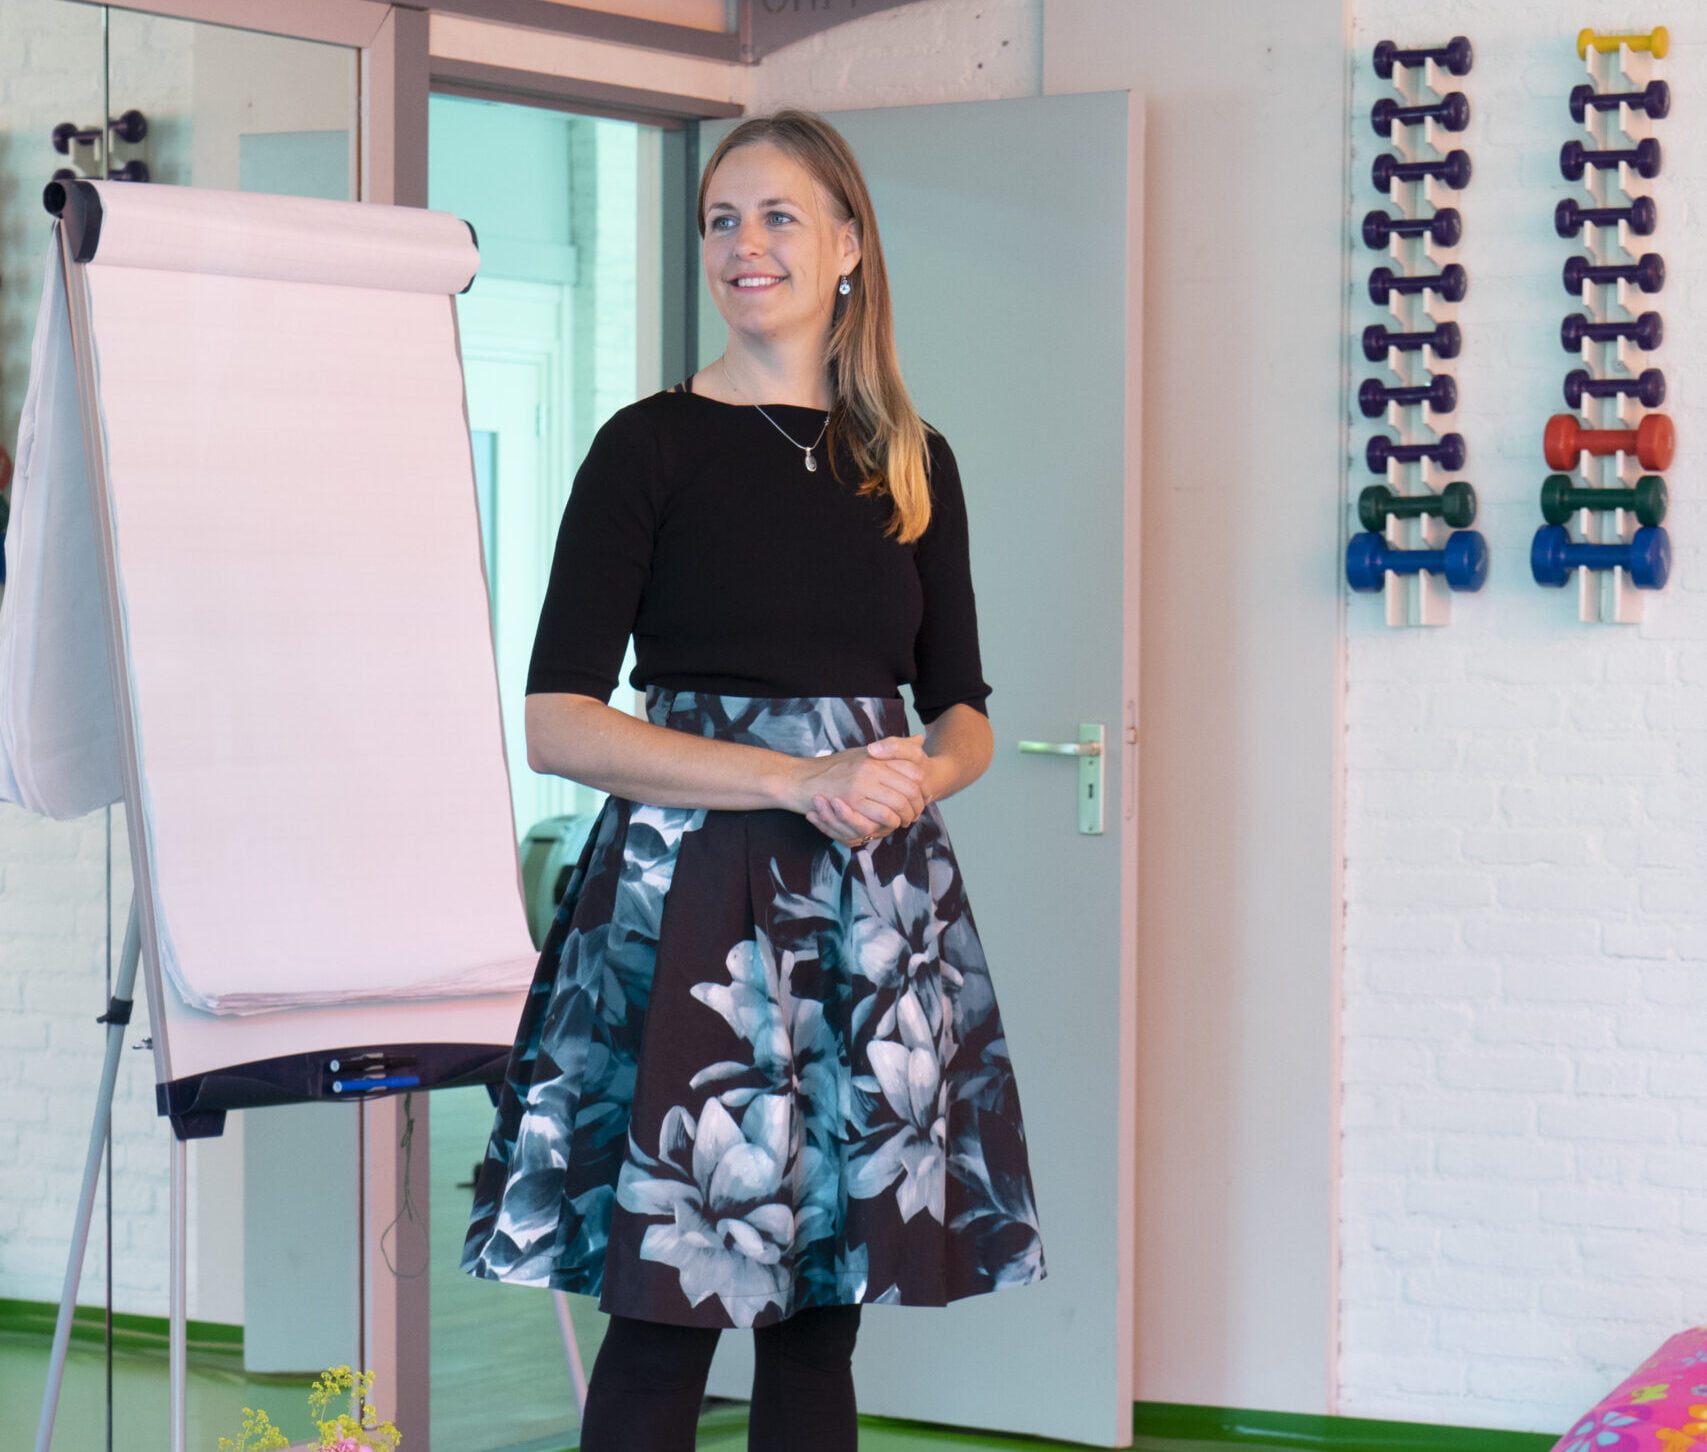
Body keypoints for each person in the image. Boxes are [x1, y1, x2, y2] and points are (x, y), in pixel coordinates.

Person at [461, 109, 1044, 1452]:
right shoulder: (647, 446)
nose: (744, 244)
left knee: (822, 1318)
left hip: (871, 900)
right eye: (722, 219)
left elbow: (963, 712)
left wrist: (913, 778)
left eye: (778, 215)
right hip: (691, 904)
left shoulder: (913, 459)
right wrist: (795, 781)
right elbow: (558, 725)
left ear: (848, 246)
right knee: (667, 1306)